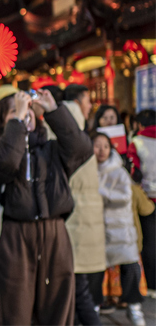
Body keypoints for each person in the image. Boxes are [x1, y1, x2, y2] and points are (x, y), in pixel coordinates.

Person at [0, 90, 93, 325]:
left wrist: (54, 110)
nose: (24, 114)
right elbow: (5, 164)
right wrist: (18, 123)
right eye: (14, 110)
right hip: (15, 235)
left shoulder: (53, 149)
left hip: (55, 233)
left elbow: (82, 148)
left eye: (27, 111)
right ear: (2, 121)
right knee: (14, 308)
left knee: (58, 305)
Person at [89, 133, 146, 326]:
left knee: (130, 270)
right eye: (97, 146)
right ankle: (93, 308)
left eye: (106, 146)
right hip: (96, 231)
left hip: (121, 231)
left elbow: (124, 197)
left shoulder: (119, 171)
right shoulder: (87, 170)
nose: (102, 150)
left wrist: (100, 192)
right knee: (94, 273)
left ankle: (134, 308)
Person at [62, 85, 106, 325]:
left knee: (78, 289)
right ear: (78, 103)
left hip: (77, 220)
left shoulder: (70, 130)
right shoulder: (74, 132)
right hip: (79, 220)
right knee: (80, 289)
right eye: (88, 101)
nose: (91, 106)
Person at [128, 108, 156, 293]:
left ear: (139, 124)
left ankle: (153, 286)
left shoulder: (136, 142)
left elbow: (134, 173)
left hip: (148, 200)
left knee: (150, 243)